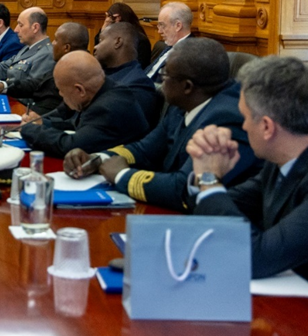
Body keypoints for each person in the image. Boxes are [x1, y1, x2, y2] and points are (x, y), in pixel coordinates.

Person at [65, 38, 260, 211]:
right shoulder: (187, 102)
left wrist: (122, 175)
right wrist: (97, 158)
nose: (160, 81)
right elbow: (145, 150)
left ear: (187, 86)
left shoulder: (227, 119)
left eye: (165, 75)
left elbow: (184, 187)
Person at [185, 56, 308, 291]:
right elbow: (227, 205)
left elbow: (255, 257)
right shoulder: (281, 157)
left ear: (267, 127)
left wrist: (210, 180)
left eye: (245, 117)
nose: (243, 127)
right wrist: (205, 180)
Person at [19, 51, 149, 158]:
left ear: (80, 90)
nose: (60, 94)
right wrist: (43, 123)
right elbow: (79, 126)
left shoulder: (107, 108)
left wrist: (29, 130)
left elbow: (70, 147)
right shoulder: (105, 90)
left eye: (61, 90)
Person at [0, 22, 88, 115]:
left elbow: (63, 112)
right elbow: (35, 84)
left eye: (56, 40)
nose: (52, 43)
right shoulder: (65, 64)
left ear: (66, 48)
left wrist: (40, 121)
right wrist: (3, 85)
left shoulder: (79, 71)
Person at [93, 22, 159, 126]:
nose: (95, 47)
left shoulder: (136, 84)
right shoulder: (100, 74)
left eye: (101, 40)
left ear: (118, 42)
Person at [93, 2, 152, 68]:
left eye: (110, 18)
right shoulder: (111, 36)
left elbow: (141, 66)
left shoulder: (141, 40)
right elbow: (99, 58)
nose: (107, 21)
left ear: (118, 18)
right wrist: (103, 30)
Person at [146, 1, 192, 82]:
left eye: (162, 25)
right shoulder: (168, 46)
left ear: (178, 26)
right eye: (159, 25)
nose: (159, 31)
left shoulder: (189, 53)